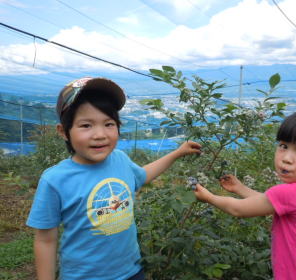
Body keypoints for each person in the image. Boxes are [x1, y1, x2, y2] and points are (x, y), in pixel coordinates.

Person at [26, 77, 202, 280]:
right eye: (86, 125)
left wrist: (177, 153)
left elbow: (143, 176)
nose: (100, 134)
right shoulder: (55, 180)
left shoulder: (120, 159)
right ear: (64, 132)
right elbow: (45, 240)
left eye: (109, 124)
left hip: (132, 272)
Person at [194, 109, 296, 279]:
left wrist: (208, 197)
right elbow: (270, 202)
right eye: (283, 146)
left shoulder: (290, 192)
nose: (286, 158)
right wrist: (240, 189)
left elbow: (238, 209)